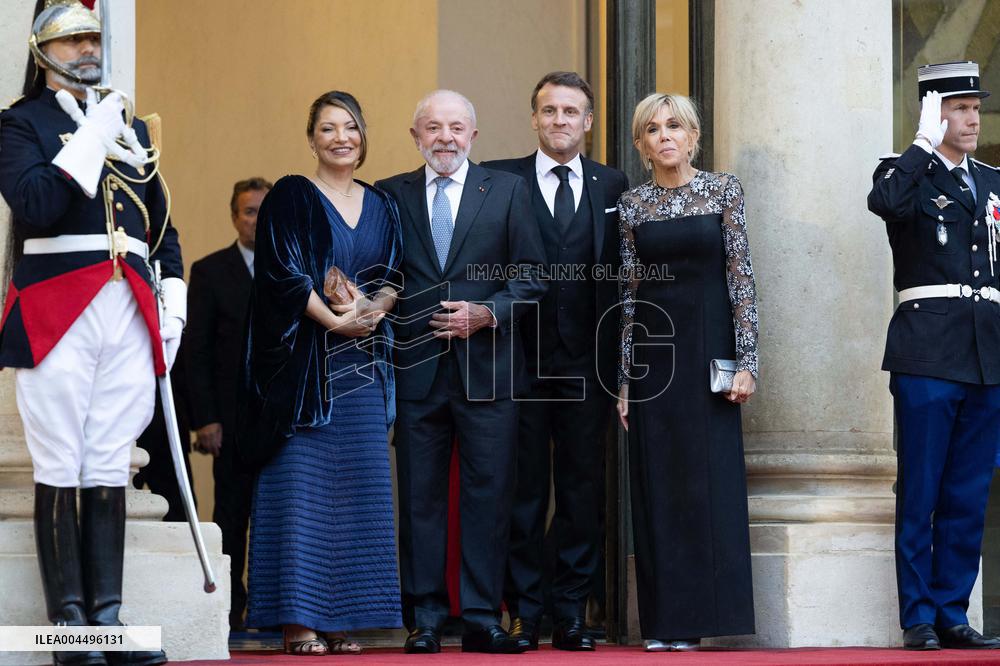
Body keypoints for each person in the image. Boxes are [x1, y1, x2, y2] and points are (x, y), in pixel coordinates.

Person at [0, 3, 183, 665]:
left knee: (107, 457)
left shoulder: (132, 129)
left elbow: (161, 226)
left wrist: (176, 302)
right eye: (73, 39)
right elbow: (39, 205)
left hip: (129, 303)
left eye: (93, 38)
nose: (87, 48)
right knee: (60, 458)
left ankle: (106, 621)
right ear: (44, 49)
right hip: (57, 301)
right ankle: (70, 633)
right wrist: (95, 129)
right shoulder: (20, 123)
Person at [375, 90, 547, 655]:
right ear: (416, 136)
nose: (444, 137)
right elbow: (381, 273)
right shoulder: (389, 195)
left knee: (489, 497)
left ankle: (480, 617)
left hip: (490, 371)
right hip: (417, 370)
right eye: (432, 127)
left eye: (455, 128)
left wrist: (486, 313)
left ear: (473, 136)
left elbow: (532, 277)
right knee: (420, 500)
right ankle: (424, 617)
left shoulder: (507, 191)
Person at [237, 91, 403, 656]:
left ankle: (343, 620)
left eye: (351, 127)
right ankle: (298, 621)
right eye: (328, 128)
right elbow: (281, 272)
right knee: (300, 491)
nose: (341, 137)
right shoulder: (291, 194)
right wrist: (333, 320)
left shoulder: (382, 203)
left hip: (362, 368)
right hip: (304, 369)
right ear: (311, 138)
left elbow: (395, 275)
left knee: (358, 491)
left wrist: (373, 311)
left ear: (363, 136)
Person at [482, 71, 628, 652]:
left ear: (587, 123)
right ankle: (524, 612)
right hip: (515, 362)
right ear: (534, 118)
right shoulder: (498, 180)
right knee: (520, 494)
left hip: (586, 364)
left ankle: (571, 611)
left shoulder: (613, 185)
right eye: (549, 111)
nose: (560, 120)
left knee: (581, 493)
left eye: (571, 112)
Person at [616, 93, 758, 652]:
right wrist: (625, 381)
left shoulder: (723, 189)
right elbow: (628, 296)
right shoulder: (632, 205)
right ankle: (665, 625)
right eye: (653, 130)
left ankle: (701, 620)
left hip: (710, 356)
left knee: (709, 485)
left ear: (694, 135)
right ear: (640, 143)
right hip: (654, 358)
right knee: (658, 485)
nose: (665, 136)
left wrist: (747, 362)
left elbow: (741, 278)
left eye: (675, 126)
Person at [868, 61, 1000, 651]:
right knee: (920, 489)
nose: (972, 118)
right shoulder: (905, 173)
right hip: (926, 353)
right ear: (932, 112)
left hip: (986, 355)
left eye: (976, 108)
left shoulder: (994, 182)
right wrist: (922, 141)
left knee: (968, 494)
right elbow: (886, 204)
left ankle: (952, 610)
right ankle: (918, 615)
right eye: (959, 108)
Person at [185, 176, 271, 631]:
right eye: (249, 211)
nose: (256, 219)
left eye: (264, 210)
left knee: (279, 519)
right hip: (231, 421)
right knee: (232, 517)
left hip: (280, 422)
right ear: (234, 216)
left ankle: (273, 608)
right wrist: (206, 420)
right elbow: (195, 353)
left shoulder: (292, 268)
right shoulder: (210, 270)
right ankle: (230, 611)